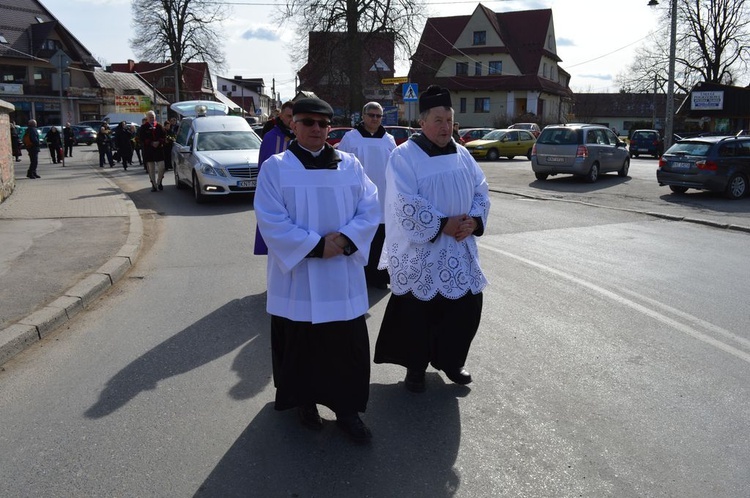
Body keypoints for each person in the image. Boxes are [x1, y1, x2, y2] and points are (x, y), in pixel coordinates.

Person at [253, 97, 379, 443]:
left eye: (323, 124)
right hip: (300, 278)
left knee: (345, 348)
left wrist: (348, 240)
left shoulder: (350, 165)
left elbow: (370, 207)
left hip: (341, 276)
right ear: (293, 124)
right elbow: (270, 217)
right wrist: (317, 246)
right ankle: (304, 402)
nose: (316, 129)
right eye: (308, 122)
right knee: (302, 344)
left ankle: (347, 410)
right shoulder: (277, 167)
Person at [374, 85, 491, 393]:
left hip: (459, 248)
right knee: (418, 313)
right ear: (422, 122)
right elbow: (402, 201)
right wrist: (442, 224)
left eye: (449, 120)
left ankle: (452, 361)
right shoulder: (404, 156)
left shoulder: (463, 154)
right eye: (438, 119)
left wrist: (474, 220)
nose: (445, 126)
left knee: (465, 308)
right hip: (422, 252)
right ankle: (415, 367)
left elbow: (481, 188)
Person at [337, 101, 396, 289]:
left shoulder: (389, 140)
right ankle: (359, 276)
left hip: (384, 195)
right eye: (371, 115)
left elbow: (395, 169)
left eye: (379, 116)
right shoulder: (351, 138)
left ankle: (379, 276)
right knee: (361, 234)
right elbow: (341, 166)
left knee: (380, 236)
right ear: (363, 116)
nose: (375, 119)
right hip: (358, 195)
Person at [253, 100, 295, 255]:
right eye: (288, 116)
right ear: (281, 116)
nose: (291, 120)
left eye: (294, 116)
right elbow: (264, 172)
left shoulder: (304, 137)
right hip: (277, 194)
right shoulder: (271, 138)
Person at [139, 111, 167, 191]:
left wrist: (159, 142)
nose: (152, 118)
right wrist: (151, 143)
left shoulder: (159, 126)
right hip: (149, 150)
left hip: (159, 150)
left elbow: (164, 136)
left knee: (162, 167)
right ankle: (154, 185)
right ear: (147, 118)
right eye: (150, 117)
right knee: (151, 169)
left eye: (153, 117)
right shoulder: (143, 127)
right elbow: (141, 138)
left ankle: (159, 182)